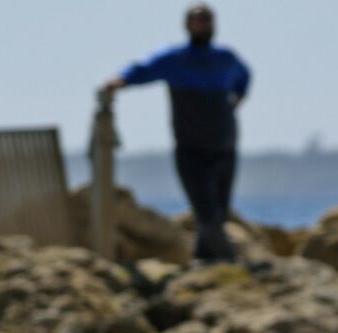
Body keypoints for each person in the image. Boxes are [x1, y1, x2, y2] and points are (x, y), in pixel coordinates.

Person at [103, 6, 252, 262]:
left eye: (207, 20)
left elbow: (245, 77)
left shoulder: (225, 58)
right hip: (191, 148)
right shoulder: (176, 59)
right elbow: (142, 69)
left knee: (220, 210)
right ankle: (231, 264)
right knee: (205, 210)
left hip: (224, 145)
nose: (203, 25)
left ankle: (204, 260)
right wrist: (119, 81)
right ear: (188, 25)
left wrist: (238, 98)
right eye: (198, 20)